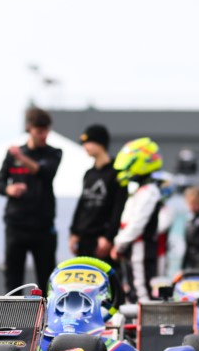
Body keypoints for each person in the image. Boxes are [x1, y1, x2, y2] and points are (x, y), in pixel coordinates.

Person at [0, 106, 63, 292]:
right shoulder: (12, 155)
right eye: (39, 131)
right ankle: (13, 311)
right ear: (29, 129)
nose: (44, 135)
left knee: (47, 279)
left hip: (43, 227)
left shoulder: (53, 153)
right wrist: (9, 189)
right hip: (16, 226)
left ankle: (46, 311)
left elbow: (45, 172)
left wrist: (21, 157)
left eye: (46, 131)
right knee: (13, 278)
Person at [111, 137, 164, 302]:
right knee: (132, 289)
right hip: (132, 247)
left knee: (141, 289)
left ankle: (147, 318)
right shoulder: (141, 190)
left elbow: (137, 223)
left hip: (141, 247)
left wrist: (119, 243)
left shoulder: (149, 191)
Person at [69, 124, 125, 261]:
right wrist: (74, 233)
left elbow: (119, 208)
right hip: (84, 238)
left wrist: (109, 237)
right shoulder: (89, 173)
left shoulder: (117, 173)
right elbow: (82, 204)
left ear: (100, 143)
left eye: (88, 142)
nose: (85, 146)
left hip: (102, 240)